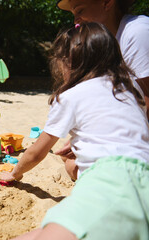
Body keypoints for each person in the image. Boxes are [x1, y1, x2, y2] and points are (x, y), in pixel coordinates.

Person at [0, 23, 149, 239]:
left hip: (108, 182)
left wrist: (15, 172)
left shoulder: (71, 96)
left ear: (68, 62)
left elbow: (36, 153)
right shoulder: (130, 88)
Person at [55, 0, 149, 179]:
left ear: (107, 2)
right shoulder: (105, 45)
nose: (76, 19)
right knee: (71, 162)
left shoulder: (137, 31)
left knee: (75, 167)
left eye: (80, 10)